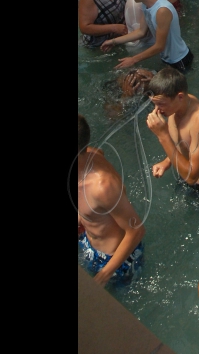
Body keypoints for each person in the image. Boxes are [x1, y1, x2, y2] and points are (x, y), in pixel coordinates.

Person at [77, 114, 145, 285]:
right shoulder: (91, 152)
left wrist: (104, 275)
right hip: (89, 241)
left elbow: (137, 231)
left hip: (115, 260)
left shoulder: (102, 187)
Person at [145, 68, 199, 198]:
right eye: (154, 104)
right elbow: (185, 144)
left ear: (180, 96)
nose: (157, 110)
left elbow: (192, 177)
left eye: (161, 104)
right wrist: (167, 161)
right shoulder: (177, 106)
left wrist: (162, 135)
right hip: (186, 175)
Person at [101, 0, 193, 72]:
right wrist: (113, 41)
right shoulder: (146, 5)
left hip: (179, 60)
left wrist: (133, 59)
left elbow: (159, 46)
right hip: (166, 58)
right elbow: (140, 32)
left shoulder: (162, 10)